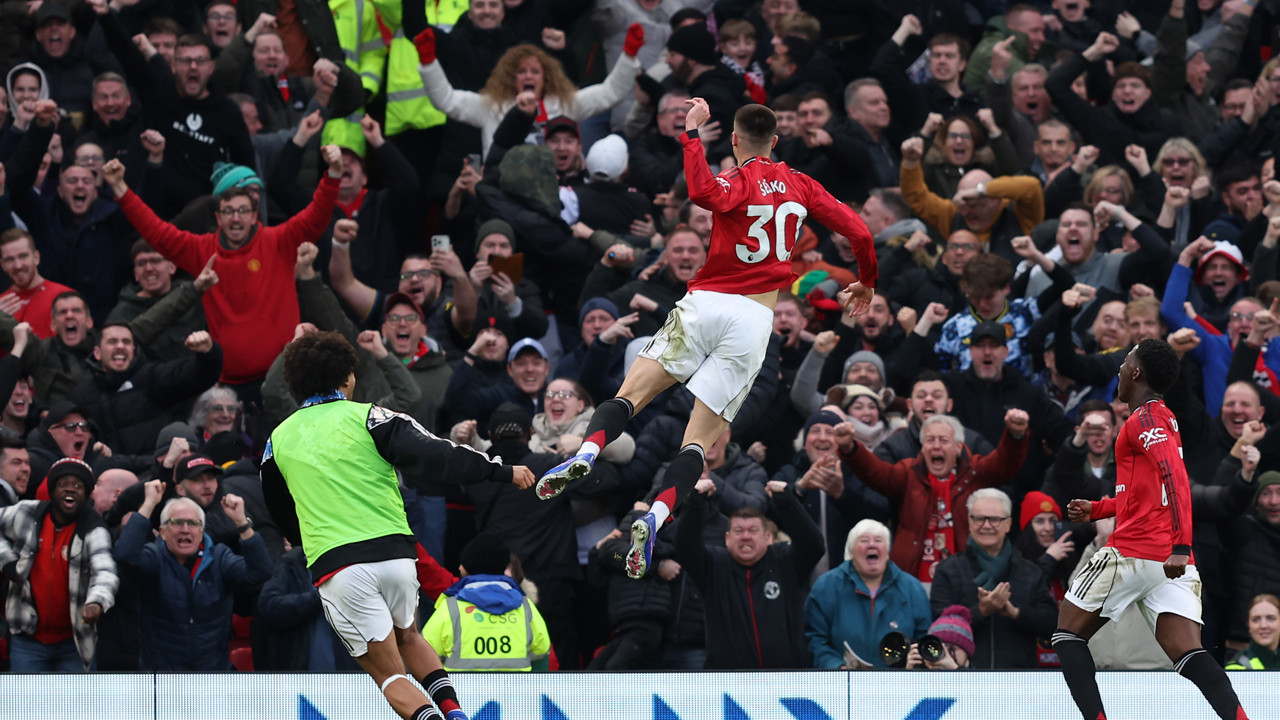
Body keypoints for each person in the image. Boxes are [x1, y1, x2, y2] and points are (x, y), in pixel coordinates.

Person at [535, 100, 877, 580]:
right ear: (775, 142)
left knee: (630, 396)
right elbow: (860, 231)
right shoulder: (802, 185)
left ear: (735, 141)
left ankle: (586, 453)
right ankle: (654, 517)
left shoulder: (734, 181)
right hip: (755, 318)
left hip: (708, 302)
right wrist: (867, 281)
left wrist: (691, 135)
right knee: (698, 442)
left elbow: (699, 191)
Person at [260, 331, 535, 720]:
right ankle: (454, 713)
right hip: (396, 557)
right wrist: (500, 470)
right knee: (410, 636)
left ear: (294, 385)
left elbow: (280, 512)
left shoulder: (277, 441)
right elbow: (439, 453)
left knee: (389, 675)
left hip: (339, 566)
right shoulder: (371, 417)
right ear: (347, 379)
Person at [1053, 339, 1253, 720]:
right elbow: (1146, 494)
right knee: (1189, 653)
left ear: (1136, 372)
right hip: (1168, 562)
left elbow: (1176, 479)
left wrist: (1182, 544)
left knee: (1067, 633)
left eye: (1124, 361)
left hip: (1135, 552)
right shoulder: (1162, 418)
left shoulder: (1144, 420)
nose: (1118, 369)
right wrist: (1098, 509)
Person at [0, 458, 117, 672]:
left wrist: (97, 601)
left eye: (78, 486)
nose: (70, 490)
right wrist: (6, 559)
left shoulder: (94, 529)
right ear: (53, 491)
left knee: (74, 705)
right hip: (28, 638)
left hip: (74, 641)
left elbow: (105, 571)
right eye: (64, 484)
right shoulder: (28, 513)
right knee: (26, 704)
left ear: (87, 494)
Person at [803, 519, 932, 668]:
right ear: (850, 552)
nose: (872, 545)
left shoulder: (912, 588)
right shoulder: (826, 587)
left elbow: (924, 639)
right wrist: (835, 667)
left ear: (888, 552)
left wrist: (912, 665)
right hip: (843, 685)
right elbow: (815, 640)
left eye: (878, 540)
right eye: (864, 540)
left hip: (899, 685)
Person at [421, 532, 550, 671]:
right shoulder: (526, 607)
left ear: (465, 569)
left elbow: (423, 656)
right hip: (514, 692)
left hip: (460, 692)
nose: (458, 568)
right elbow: (542, 652)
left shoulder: (450, 609)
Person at [1226, 594, 1280, 670]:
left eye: (1271, 618)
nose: (1263, 625)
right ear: (1248, 624)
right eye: (1256, 619)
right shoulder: (1237, 666)